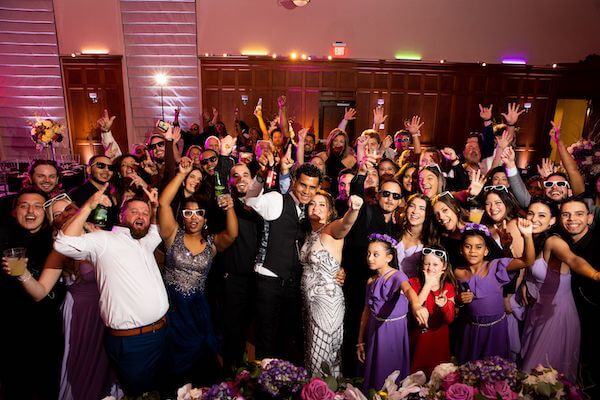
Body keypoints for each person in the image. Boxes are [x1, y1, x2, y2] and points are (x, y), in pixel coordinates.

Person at [54, 187, 169, 397]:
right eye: (134, 211)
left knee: (156, 390)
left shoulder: (144, 241)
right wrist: (88, 206)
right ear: (121, 215)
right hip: (133, 341)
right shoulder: (104, 240)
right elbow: (63, 244)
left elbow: (153, 229)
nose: (141, 216)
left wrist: (153, 207)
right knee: (139, 394)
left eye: (144, 213)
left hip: (160, 333)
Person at [5, 193, 115, 400]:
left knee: (107, 367)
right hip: (81, 316)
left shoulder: (100, 237)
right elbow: (40, 292)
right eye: (57, 213)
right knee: (82, 368)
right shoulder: (60, 251)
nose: (66, 214)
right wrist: (23, 274)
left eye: (68, 208)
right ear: (52, 222)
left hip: (107, 313)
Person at [157, 157, 238, 388]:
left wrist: (230, 207)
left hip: (197, 310)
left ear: (205, 218)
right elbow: (163, 204)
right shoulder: (173, 235)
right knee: (171, 361)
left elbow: (232, 234)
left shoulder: (212, 243)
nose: (194, 218)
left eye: (199, 213)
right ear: (182, 215)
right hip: (171, 309)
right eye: (189, 213)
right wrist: (182, 174)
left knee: (202, 360)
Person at [515, 198, 600, 381]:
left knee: (539, 374)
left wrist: (595, 275)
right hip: (536, 312)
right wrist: (525, 284)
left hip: (556, 316)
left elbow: (572, 260)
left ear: (552, 221)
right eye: (531, 213)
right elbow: (532, 267)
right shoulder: (532, 238)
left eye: (542, 215)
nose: (534, 219)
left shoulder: (554, 241)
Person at [245, 163, 321, 364]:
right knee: (266, 337)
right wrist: (260, 177)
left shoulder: (312, 210)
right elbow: (248, 201)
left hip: (293, 282)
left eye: (312, 187)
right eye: (303, 185)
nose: (307, 191)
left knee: (286, 338)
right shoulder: (276, 199)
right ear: (294, 182)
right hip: (269, 278)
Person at [0, 188, 64, 400]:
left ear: (45, 214)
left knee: (48, 384)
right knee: (15, 386)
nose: (30, 210)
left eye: (37, 206)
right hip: (11, 330)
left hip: (46, 327)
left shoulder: (56, 243)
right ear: (14, 211)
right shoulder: (4, 238)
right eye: (24, 205)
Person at [454, 221, 534, 364]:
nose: (473, 251)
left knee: (495, 370)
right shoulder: (458, 273)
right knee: (469, 371)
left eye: (478, 247)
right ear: (460, 249)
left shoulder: (496, 266)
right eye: (468, 246)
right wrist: (459, 300)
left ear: (486, 251)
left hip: (496, 330)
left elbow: (527, 261)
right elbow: (454, 303)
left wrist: (527, 236)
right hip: (471, 330)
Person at [301, 191, 362, 376]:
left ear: (329, 212)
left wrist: (354, 209)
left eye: (322, 205)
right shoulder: (308, 234)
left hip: (327, 302)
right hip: (310, 303)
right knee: (315, 355)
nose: (316, 207)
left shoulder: (330, 229)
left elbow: (345, 225)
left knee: (321, 358)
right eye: (312, 203)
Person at [356, 233, 429, 391]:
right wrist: (360, 340)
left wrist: (416, 305)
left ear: (389, 257)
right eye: (368, 254)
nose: (370, 258)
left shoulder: (397, 276)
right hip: (375, 330)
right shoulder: (371, 281)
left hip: (393, 332)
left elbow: (408, 289)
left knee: (390, 374)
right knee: (374, 373)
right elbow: (366, 311)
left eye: (376, 254)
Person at [559, 197, 600, 396]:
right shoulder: (561, 242)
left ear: (590, 218)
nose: (571, 219)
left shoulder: (598, 243)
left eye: (578, 214)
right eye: (566, 214)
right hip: (571, 314)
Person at [408, 245, 455, 376]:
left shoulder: (448, 287)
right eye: (427, 263)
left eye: (435, 264)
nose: (430, 268)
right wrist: (428, 284)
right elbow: (414, 311)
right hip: (418, 342)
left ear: (444, 266)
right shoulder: (414, 283)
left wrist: (445, 304)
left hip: (438, 342)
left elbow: (449, 319)